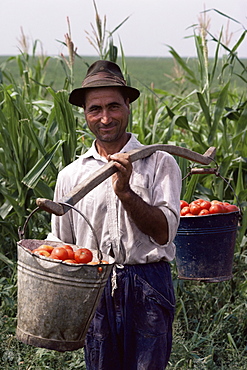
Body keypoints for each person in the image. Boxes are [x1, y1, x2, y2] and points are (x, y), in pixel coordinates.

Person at [50, 60, 182, 369]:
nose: (105, 118)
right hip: (93, 289)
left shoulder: (160, 164)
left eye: (114, 106)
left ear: (128, 105)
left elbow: (163, 233)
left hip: (148, 286)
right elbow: (61, 245)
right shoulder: (71, 176)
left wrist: (125, 192)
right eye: (95, 109)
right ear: (85, 113)